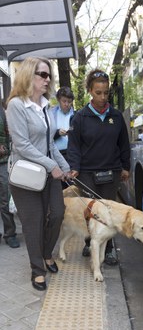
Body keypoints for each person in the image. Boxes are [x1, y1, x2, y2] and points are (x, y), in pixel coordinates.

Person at [6, 56, 72, 291]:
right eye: (42, 75)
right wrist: (51, 165)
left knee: (57, 214)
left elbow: (50, 143)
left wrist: (64, 167)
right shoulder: (16, 105)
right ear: (28, 76)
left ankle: (46, 253)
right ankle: (37, 269)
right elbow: (22, 145)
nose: (48, 80)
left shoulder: (46, 106)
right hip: (26, 176)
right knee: (33, 223)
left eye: (49, 75)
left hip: (47, 173)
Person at [67, 69, 130, 265]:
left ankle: (109, 249)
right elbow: (74, 145)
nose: (102, 97)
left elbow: (124, 145)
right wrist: (74, 167)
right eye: (98, 93)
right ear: (90, 91)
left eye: (105, 92)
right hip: (86, 173)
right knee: (90, 210)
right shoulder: (80, 117)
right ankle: (89, 242)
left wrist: (125, 167)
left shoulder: (116, 116)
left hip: (111, 172)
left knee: (108, 211)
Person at [0, 104, 19, 248]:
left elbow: (10, 134)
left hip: (3, 161)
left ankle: (10, 233)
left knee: (5, 198)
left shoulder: (3, 110)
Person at [51, 86, 75, 188]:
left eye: (69, 102)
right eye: (64, 101)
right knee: (58, 186)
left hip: (71, 154)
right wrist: (57, 133)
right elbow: (47, 135)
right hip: (56, 155)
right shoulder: (51, 114)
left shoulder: (75, 115)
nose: (66, 104)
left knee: (71, 186)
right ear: (58, 100)